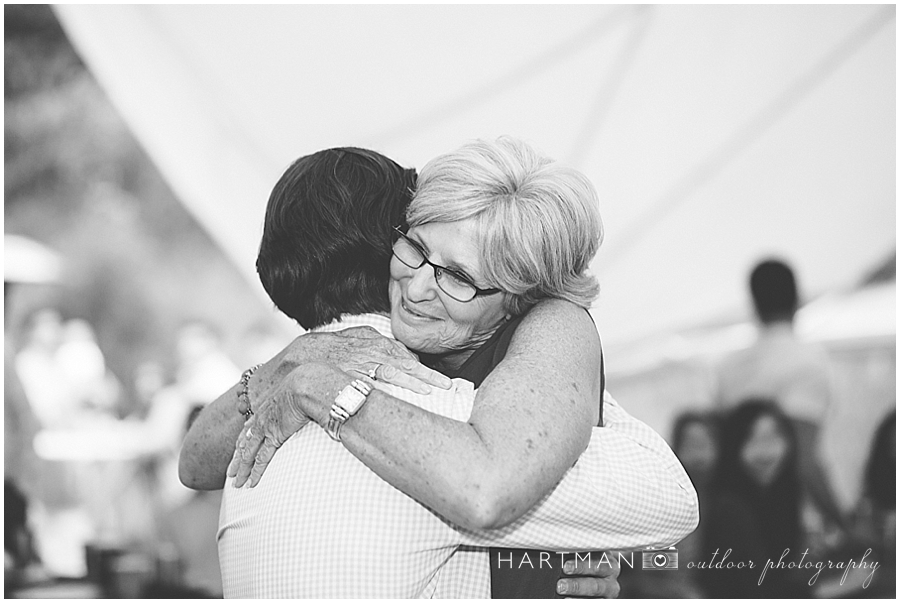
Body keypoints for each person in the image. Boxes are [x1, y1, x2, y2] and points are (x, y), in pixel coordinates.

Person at [181, 141, 697, 597]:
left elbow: (494, 487)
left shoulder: (518, 372)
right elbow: (194, 462)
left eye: (457, 276)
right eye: (416, 248)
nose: (418, 287)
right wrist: (291, 367)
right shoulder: (430, 399)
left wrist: (316, 384)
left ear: (520, 302)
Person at [716, 259, 846, 533]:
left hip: (738, 512)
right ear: (798, 298)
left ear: (753, 303)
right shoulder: (808, 361)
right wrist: (842, 522)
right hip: (791, 519)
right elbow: (803, 457)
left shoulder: (729, 366)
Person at [705, 399, 810, 598]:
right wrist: (835, 588)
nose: (766, 451)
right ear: (733, 446)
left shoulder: (784, 492)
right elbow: (755, 590)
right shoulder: (728, 508)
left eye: (773, 436)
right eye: (752, 438)